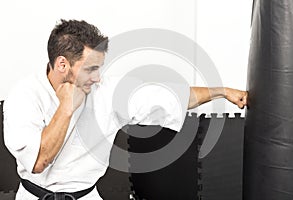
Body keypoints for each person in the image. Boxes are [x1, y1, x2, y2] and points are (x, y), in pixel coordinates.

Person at [3, 19, 247, 200]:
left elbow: (170, 96)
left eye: (100, 68)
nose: (97, 78)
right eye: (90, 69)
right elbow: (38, 162)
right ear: (62, 64)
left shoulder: (109, 92)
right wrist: (67, 106)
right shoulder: (23, 97)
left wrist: (222, 91)